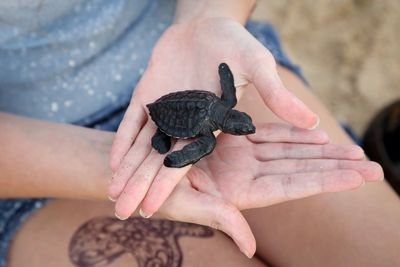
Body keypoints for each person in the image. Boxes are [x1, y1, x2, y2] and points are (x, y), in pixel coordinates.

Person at [0, 1, 398, 267]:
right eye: (240, 128)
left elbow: (224, 75)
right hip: (40, 161)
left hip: (185, 58)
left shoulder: (219, 112)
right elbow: (185, 151)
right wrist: (120, 165)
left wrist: (208, 22)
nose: (244, 129)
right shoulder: (209, 130)